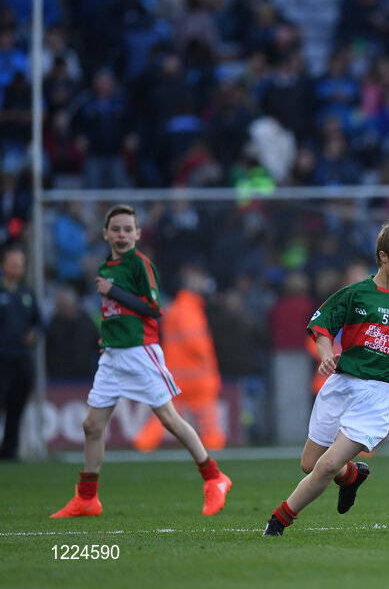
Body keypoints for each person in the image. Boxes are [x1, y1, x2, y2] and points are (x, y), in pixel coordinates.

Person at [263, 222, 389, 536]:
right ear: (383, 257)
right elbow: (322, 327)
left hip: (381, 394)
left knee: (326, 465)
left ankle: (278, 521)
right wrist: (327, 353)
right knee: (311, 464)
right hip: (342, 384)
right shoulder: (355, 293)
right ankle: (352, 476)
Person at [50, 204, 231, 518]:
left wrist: (114, 291)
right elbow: (114, 313)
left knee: (169, 419)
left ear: (137, 233)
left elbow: (152, 308)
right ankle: (87, 498)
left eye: (127, 229)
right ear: (106, 234)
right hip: (112, 355)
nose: (122, 234)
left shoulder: (139, 265)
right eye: (116, 229)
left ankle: (214, 478)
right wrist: (106, 337)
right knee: (92, 425)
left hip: (140, 352)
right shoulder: (106, 267)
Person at [133, 262, 224, 452]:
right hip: (197, 377)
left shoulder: (175, 309)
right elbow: (198, 345)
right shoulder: (190, 311)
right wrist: (211, 366)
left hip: (176, 375)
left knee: (165, 415)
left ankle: (144, 444)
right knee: (208, 418)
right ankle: (214, 445)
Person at [0, 245, 41, 460]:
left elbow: (39, 321)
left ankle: (10, 450)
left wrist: (34, 333)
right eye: (13, 264)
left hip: (22, 359)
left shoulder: (27, 294)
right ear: (3, 265)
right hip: (2, 359)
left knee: (17, 406)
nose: (17, 268)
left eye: (20, 265)